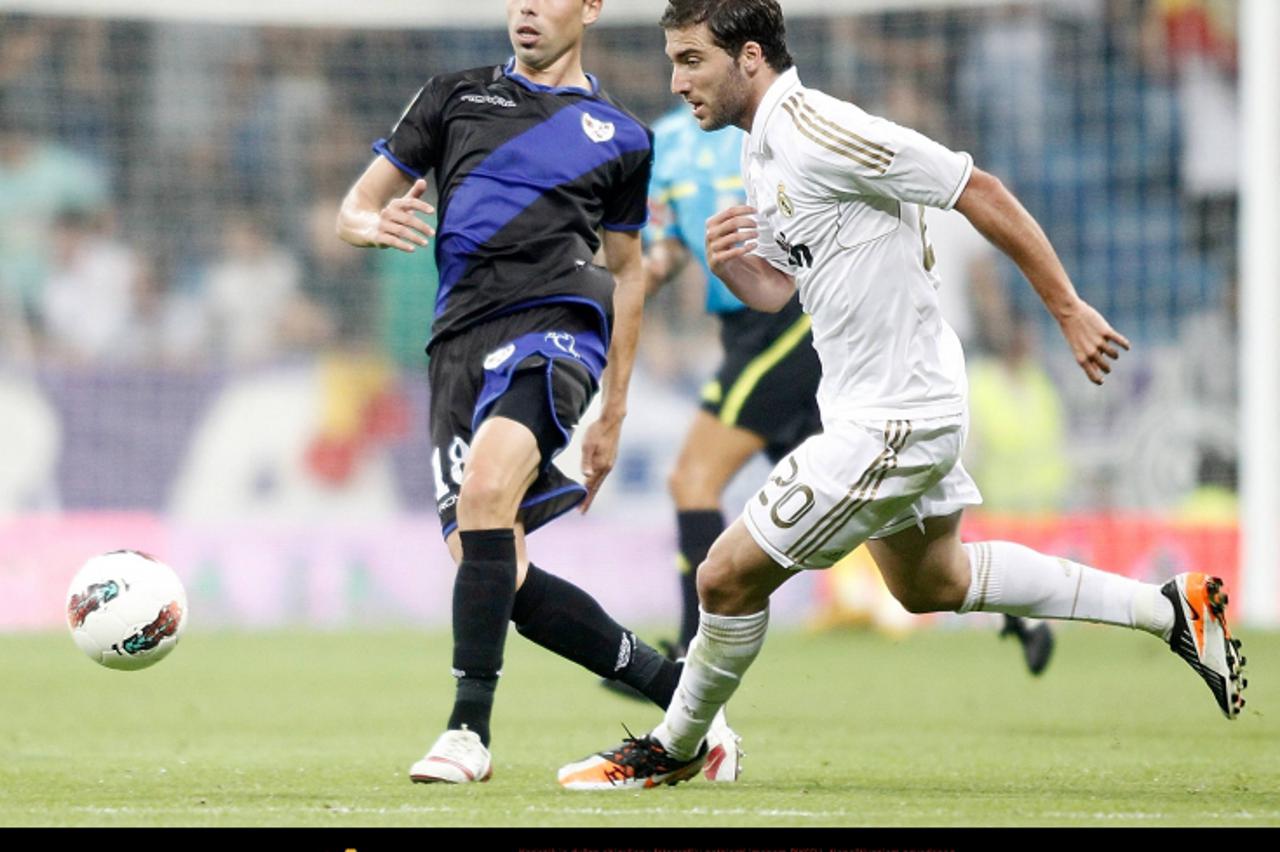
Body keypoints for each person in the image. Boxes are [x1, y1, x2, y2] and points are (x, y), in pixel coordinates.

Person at [557, 0, 1246, 790]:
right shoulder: (761, 149)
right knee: (930, 582)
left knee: (722, 576)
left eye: (690, 60)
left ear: (749, 57)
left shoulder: (822, 129)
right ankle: (1173, 610)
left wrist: (1066, 308)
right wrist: (738, 273)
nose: (677, 81)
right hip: (877, 405)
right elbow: (788, 291)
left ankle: (680, 745)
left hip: (897, 416)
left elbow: (974, 185)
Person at [336, 0, 740, 785]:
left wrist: (615, 407)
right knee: (495, 572)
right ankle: (690, 708)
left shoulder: (623, 134)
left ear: (589, 8)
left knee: (488, 492)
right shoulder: (450, 97)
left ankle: (465, 733)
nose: (524, 7)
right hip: (457, 344)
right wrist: (369, 224)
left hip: (556, 329)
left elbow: (626, 270)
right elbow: (355, 205)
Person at [627, 102, 1052, 680]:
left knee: (693, 478)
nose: (688, 76)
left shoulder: (763, 130)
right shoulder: (669, 143)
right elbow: (671, 245)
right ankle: (1012, 609)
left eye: (696, 58)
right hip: (742, 324)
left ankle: (685, 655)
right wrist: (639, 281)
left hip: (794, 323)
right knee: (855, 505)